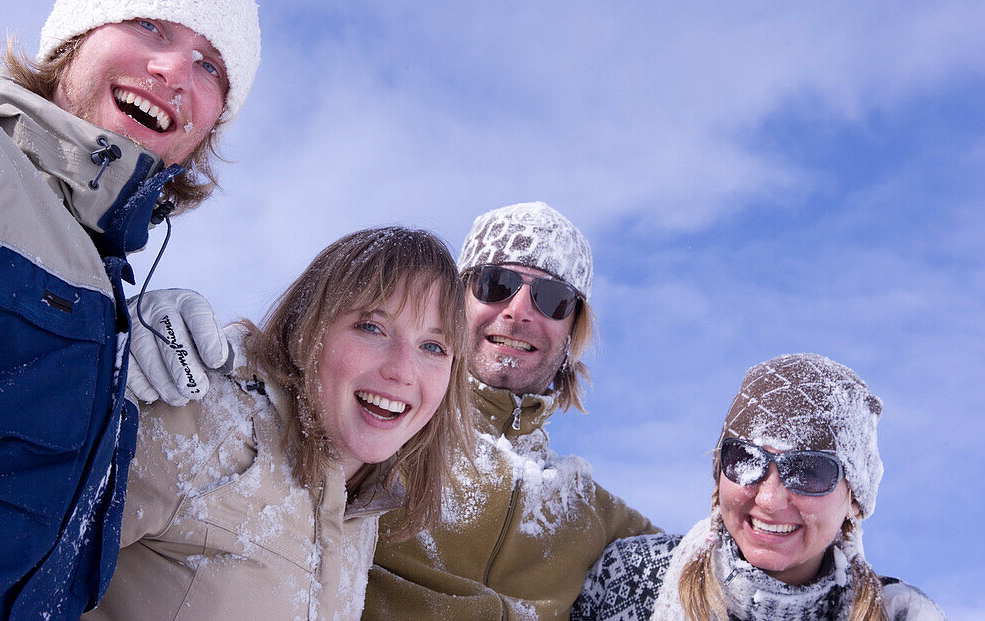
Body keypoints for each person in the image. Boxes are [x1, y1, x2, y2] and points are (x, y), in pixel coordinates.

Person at [0, 0, 259, 619]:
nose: (175, 70)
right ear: (75, 35)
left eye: (211, 66)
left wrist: (117, 356)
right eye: (151, 24)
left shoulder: (109, 300)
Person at [85, 227, 474, 620]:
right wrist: (95, 355)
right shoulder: (202, 425)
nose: (403, 371)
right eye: (372, 327)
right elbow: (27, 560)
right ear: (308, 330)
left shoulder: (366, 506)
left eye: (433, 347)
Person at [363, 202, 657, 620]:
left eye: (552, 298)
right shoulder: (380, 428)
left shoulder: (590, 512)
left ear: (573, 329)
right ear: (455, 299)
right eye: (495, 283)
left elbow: (720, 560)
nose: (518, 309)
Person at [572, 353, 946, 621]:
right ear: (720, 471)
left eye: (809, 471)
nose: (769, 498)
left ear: (855, 500)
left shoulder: (903, 614)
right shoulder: (629, 579)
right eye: (746, 459)